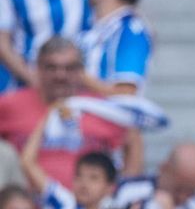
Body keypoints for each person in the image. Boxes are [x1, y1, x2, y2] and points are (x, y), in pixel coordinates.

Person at [0, 37, 137, 191]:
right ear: (38, 68)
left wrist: (125, 193)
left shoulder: (100, 108)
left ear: (81, 71)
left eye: (69, 68)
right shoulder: (10, 105)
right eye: (52, 67)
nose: (61, 75)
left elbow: (132, 139)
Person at [79, 0, 153, 97]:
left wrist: (75, 75)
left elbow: (126, 93)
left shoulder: (131, 31)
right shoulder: (95, 27)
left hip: (105, 119)